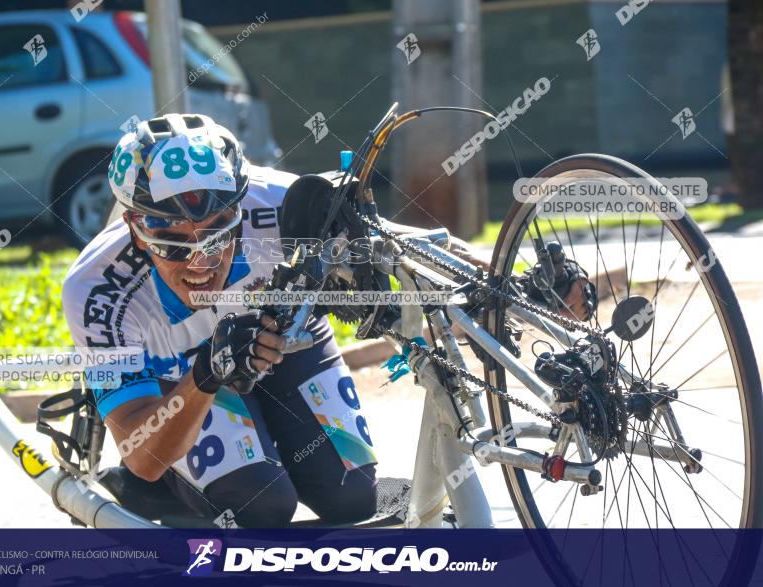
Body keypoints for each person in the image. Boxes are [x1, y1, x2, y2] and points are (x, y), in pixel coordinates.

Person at [62, 113, 597, 528]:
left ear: (241, 207)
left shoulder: (282, 204)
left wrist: (526, 284)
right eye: (174, 244)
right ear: (135, 228)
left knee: (351, 494)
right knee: (261, 504)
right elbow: (142, 455)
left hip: (284, 344)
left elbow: (407, 248)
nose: (200, 261)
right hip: (184, 377)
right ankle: (180, 497)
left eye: (219, 234)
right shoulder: (96, 291)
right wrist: (207, 372)